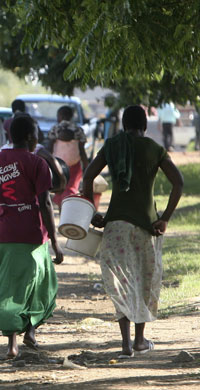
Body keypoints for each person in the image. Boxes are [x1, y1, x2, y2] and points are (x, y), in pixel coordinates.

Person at [82, 105, 183, 359]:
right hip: (147, 225)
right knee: (143, 279)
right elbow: (178, 183)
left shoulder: (113, 146)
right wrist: (166, 218)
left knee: (121, 281)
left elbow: (88, 176)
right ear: (145, 126)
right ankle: (140, 340)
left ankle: (125, 343)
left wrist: (89, 210)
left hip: (115, 224)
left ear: (124, 125)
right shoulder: (154, 149)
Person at [0, 115, 63, 359]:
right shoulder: (37, 163)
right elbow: (45, 203)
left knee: (9, 287)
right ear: (32, 138)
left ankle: (12, 344)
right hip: (32, 235)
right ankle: (31, 330)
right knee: (40, 285)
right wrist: (54, 241)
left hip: (2, 235)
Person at [47, 105, 89, 208]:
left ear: (60, 116)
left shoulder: (55, 129)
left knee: (61, 189)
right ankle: (69, 214)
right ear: (71, 116)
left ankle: (63, 216)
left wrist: (48, 163)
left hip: (58, 165)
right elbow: (82, 151)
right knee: (71, 190)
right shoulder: (78, 130)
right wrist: (86, 167)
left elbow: (49, 148)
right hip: (74, 165)